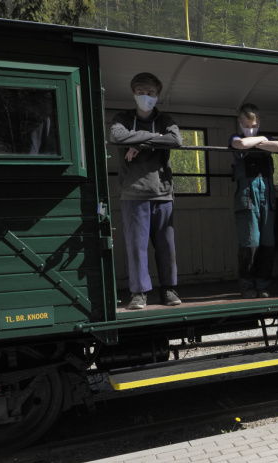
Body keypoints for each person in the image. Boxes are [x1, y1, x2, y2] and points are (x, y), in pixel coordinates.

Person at [110, 72, 183, 310]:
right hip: (133, 192)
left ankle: (169, 289)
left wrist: (139, 144)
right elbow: (116, 136)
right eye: (140, 92)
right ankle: (139, 293)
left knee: (165, 246)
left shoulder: (165, 119)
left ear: (158, 95)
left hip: (162, 192)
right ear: (133, 93)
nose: (145, 97)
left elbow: (175, 140)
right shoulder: (122, 117)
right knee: (136, 247)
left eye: (150, 93)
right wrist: (154, 138)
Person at [229, 104, 278, 299]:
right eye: (245, 125)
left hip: (266, 196)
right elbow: (241, 145)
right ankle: (247, 286)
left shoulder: (265, 138)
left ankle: (263, 285)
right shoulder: (235, 138)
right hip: (247, 196)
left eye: (252, 125)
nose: (249, 128)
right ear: (239, 123)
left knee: (267, 243)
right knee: (250, 243)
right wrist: (262, 141)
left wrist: (259, 139)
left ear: (258, 122)